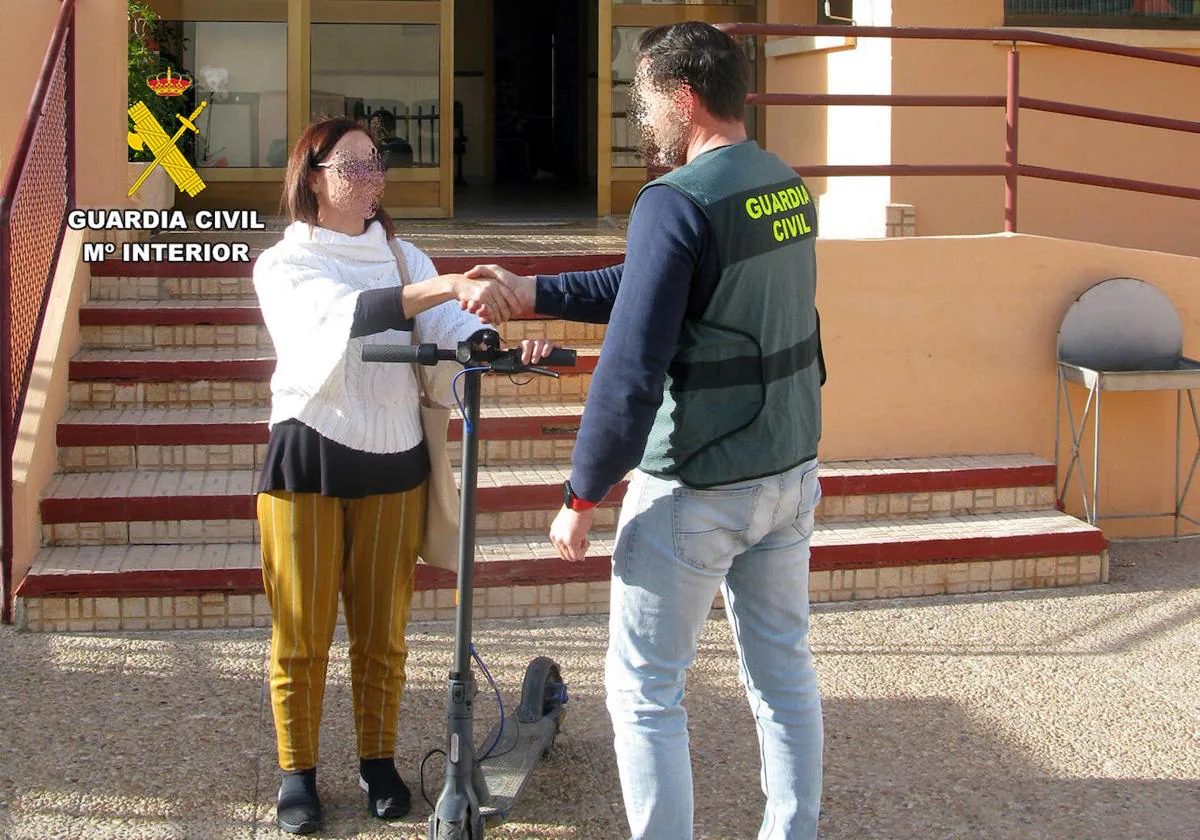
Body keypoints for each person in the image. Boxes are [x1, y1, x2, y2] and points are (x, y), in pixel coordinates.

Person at [466, 22, 827, 840]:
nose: (642, 114)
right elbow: (652, 284)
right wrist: (531, 292)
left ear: (686, 98)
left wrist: (581, 491)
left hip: (698, 486)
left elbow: (632, 365)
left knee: (644, 690)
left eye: (647, 97)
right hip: (787, 473)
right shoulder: (782, 184)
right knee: (783, 677)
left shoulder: (676, 200)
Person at [254, 116, 552, 834]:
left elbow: (448, 328)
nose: (371, 178)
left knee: (383, 633)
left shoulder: (402, 254)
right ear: (313, 177)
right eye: (353, 166)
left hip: (395, 458)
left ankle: (378, 762)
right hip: (311, 456)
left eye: (376, 165)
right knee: (302, 632)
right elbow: (341, 319)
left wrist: (493, 342)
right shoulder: (286, 263)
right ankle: (297, 774)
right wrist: (444, 287)